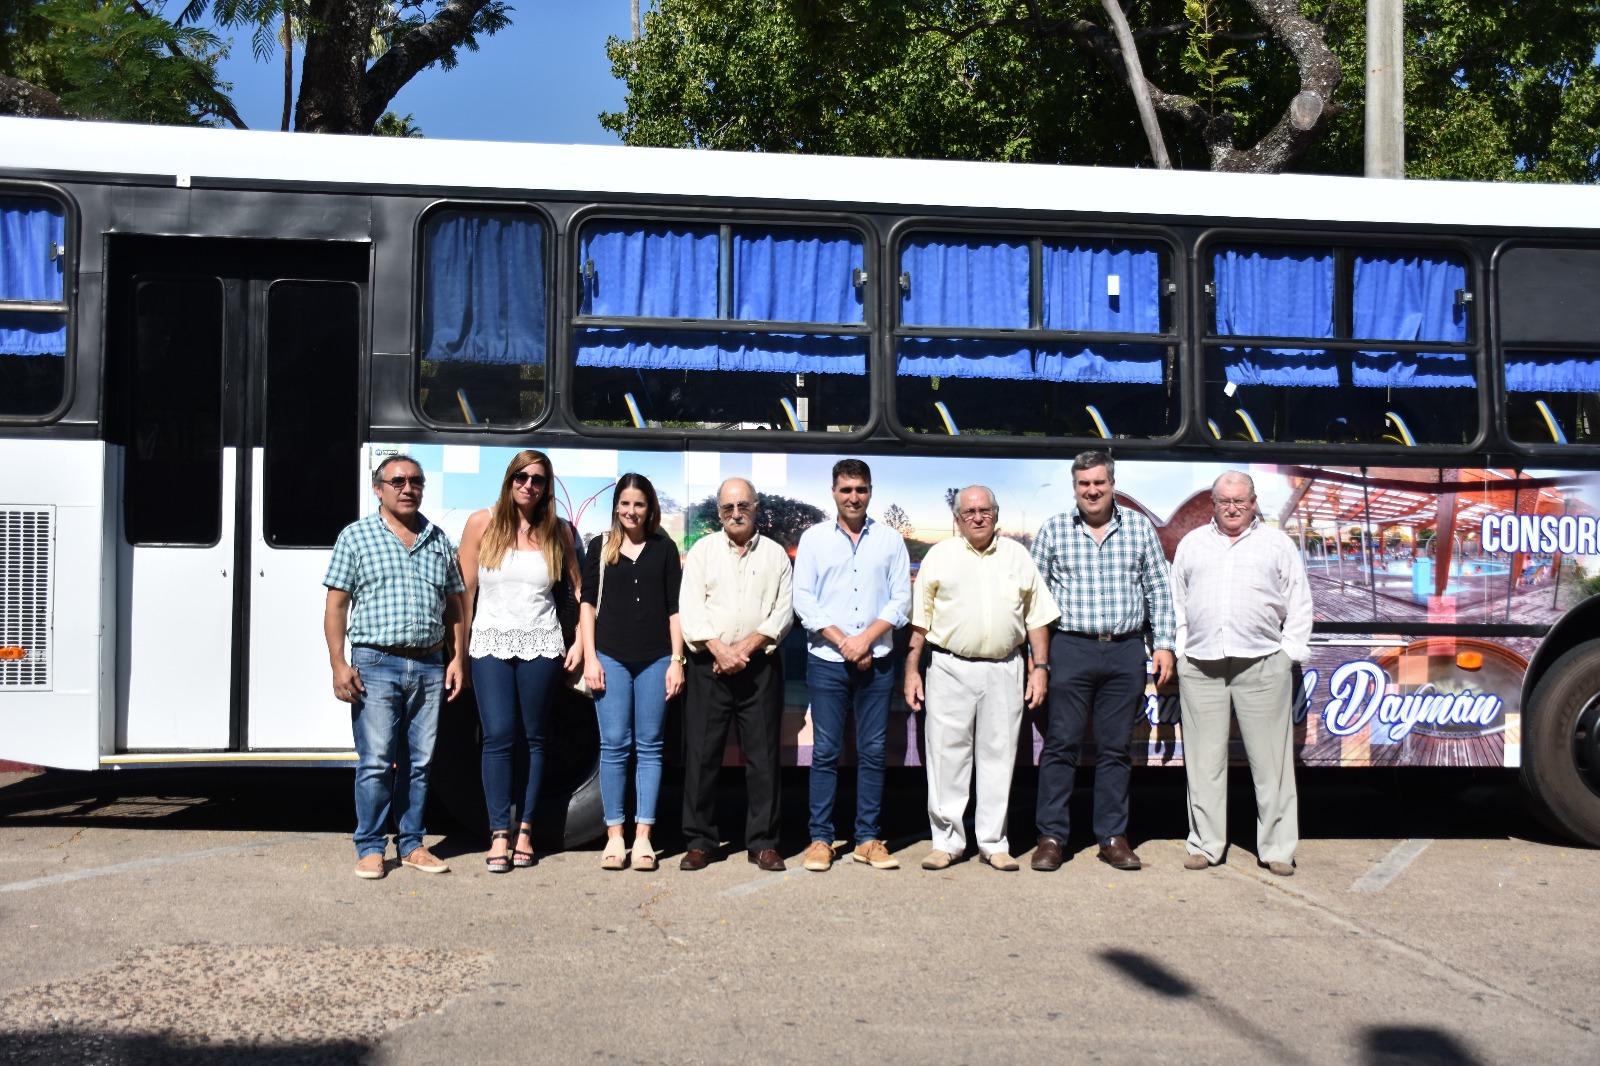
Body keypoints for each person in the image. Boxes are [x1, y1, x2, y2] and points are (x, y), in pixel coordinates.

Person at [1029, 450, 1175, 872]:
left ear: (1112, 484)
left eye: (1099, 483)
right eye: (1083, 484)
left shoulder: (1139, 528)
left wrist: (1163, 643)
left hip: (1126, 649)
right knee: (1061, 746)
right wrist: (1036, 658)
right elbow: (1034, 599)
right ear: (1074, 487)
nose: (1092, 491)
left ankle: (1112, 836)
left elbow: (1158, 588)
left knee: (1115, 749)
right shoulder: (1055, 530)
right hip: (1070, 648)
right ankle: (1052, 836)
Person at [323, 454, 467, 880]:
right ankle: (370, 847)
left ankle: (412, 845)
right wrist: (338, 663)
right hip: (376, 663)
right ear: (379, 489)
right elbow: (336, 606)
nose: (408, 488)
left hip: (428, 664)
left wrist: (457, 657)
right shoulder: (355, 537)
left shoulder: (439, 539)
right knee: (376, 761)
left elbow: (455, 605)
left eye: (416, 481)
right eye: (398, 481)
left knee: (420, 763)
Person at [905, 486, 1058, 872]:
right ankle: (947, 842)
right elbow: (919, 622)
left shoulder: (1017, 556)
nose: (977, 517)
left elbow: (1036, 616)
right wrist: (911, 669)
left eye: (985, 510)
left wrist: (1040, 668)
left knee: (999, 756)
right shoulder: (939, 556)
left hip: (1006, 668)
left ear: (996, 514)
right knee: (946, 756)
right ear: (957, 518)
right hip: (949, 667)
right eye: (969, 511)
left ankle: (994, 842)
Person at [1171, 471, 1313, 877]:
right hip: (1201, 666)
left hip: (1264, 663)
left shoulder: (1277, 544)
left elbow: (1300, 604)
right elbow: (1177, 601)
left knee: (1272, 766)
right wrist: (1182, 650)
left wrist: (1288, 655)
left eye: (1240, 501)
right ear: (1212, 504)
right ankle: (1205, 844)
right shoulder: (1192, 544)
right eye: (1224, 501)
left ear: (1253, 502)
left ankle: (1278, 849)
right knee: (1203, 764)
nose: (1232, 508)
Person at [458, 450, 584, 873]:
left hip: (542, 645)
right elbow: (464, 596)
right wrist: (458, 654)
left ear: (547, 487)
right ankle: (498, 833)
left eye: (538, 479)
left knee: (534, 738)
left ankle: (526, 830)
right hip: (489, 645)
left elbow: (580, 593)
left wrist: (581, 641)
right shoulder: (482, 522)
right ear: (510, 479)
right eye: (522, 477)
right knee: (497, 737)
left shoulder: (558, 531)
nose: (529, 485)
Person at [793, 459, 911, 872]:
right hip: (827, 660)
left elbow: (901, 601)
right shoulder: (813, 540)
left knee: (873, 751)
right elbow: (803, 600)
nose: (853, 497)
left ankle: (867, 839)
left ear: (871, 491)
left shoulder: (891, 541)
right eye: (846, 489)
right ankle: (821, 839)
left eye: (860, 489)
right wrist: (845, 641)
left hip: (876, 660)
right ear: (833, 492)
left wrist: (865, 639)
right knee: (825, 751)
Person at [677, 478, 795, 872]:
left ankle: (763, 843)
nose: (735, 513)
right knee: (702, 756)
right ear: (718, 511)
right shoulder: (702, 552)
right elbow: (690, 608)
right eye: (728, 508)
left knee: (763, 758)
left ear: (757, 507)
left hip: (758, 667)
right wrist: (719, 649)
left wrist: (743, 649)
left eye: (743, 505)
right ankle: (700, 842)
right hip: (709, 667)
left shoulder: (777, 555)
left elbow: (783, 611)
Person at [579, 473, 684, 872]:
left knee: (651, 746)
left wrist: (677, 661)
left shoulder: (664, 548)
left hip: (657, 658)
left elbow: (675, 608)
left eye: (638, 504)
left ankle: (643, 838)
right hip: (611, 657)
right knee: (614, 745)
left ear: (650, 507)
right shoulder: (600, 547)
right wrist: (591, 658)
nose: (630, 511)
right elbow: (587, 605)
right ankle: (615, 836)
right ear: (616, 507)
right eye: (624, 504)